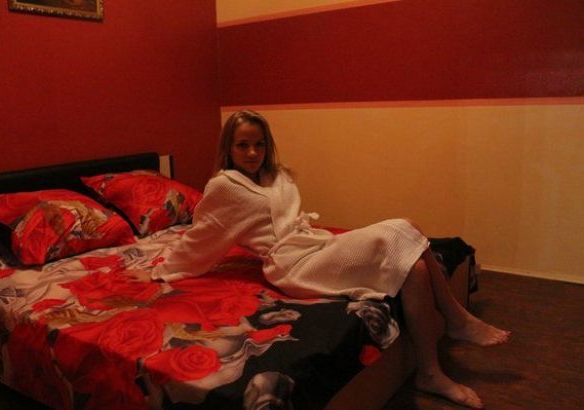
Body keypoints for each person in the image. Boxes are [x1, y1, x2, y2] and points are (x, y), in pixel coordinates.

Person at [152, 110, 510, 409]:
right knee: (404, 226)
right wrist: (164, 267)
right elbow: (203, 235)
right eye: (242, 145)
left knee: (414, 265)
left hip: (315, 244)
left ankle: (429, 372)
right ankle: (456, 317)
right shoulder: (224, 187)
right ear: (228, 148)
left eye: (259, 144)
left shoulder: (274, 175)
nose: (252, 152)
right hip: (292, 264)